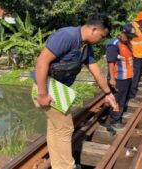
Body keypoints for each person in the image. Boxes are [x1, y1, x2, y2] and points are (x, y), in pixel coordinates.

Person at [31, 13, 117, 169]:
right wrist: (42, 95)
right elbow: (42, 61)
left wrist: (108, 93)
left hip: (59, 91)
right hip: (47, 87)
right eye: (102, 36)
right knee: (65, 127)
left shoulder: (86, 46)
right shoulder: (67, 36)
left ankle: (58, 165)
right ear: (94, 30)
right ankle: (67, 167)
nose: (101, 40)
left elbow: (96, 72)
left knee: (55, 128)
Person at [106, 24, 136, 129]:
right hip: (118, 78)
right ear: (122, 33)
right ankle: (115, 120)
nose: (130, 38)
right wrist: (112, 79)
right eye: (128, 36)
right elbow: (110, 62)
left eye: (131, 37)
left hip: (127, 78)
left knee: (123, 99)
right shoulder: (114, 45)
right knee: (117, 100)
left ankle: (118, 116)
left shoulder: (128, 44)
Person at [129, 11, 142, 99]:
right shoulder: (133, 28)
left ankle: (133, 90)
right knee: (135, 75)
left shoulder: (138, 28)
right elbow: (127, 41)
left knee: (138, 74)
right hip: (135, 56)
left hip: (139, 55)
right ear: (141, 20)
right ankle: (131, 94)